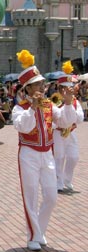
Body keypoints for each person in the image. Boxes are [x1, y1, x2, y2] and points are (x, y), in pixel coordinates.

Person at [12, 50, 77, 251]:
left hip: (47, 153)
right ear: (28, 88)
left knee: (51, 196)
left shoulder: (50, 105)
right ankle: (33, 236)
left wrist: (67, 105)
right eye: (39, 84)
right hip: (29, 154)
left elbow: (66, 121)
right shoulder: (20, 108)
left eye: (42, 84)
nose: (43, 87)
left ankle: (39, 230)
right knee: (30, 196)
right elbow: (23, 126)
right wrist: (33, 108)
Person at [53, 63, 84, 193]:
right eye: (65, 88)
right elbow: (53, 118)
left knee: (73, 157)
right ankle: (58, 182)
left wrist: (70, 105)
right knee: (58, 157)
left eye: (70, 87)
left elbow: (80, 118)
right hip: (58, 133)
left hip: (70, 133)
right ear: (60, 88)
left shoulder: (75, 101)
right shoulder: (54, 100)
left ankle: (67, 179)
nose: (68, 90)